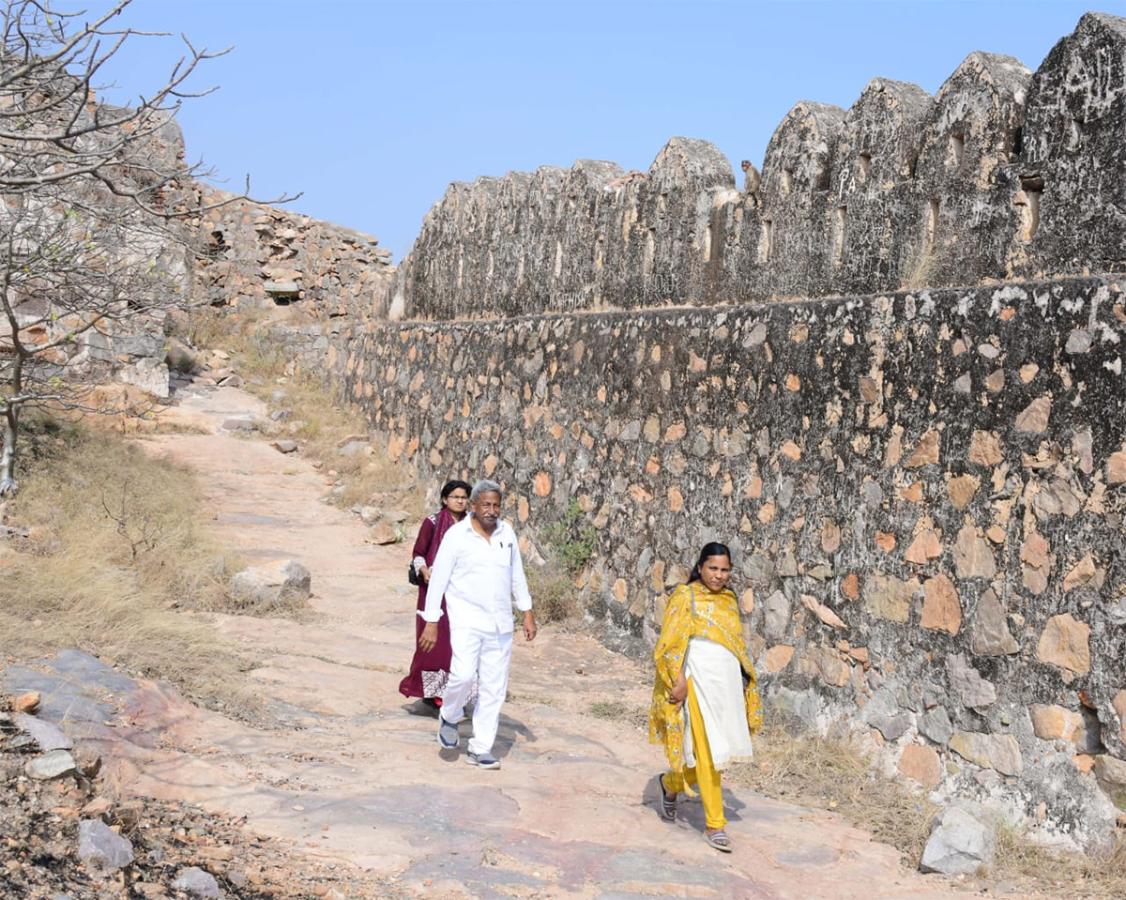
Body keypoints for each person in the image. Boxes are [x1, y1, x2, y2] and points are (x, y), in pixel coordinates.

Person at [649, 542, 763, 852]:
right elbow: (671, 643)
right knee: (710, 752)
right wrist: (679, 681)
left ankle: (670, 784)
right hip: (696, 681)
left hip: (723, 685)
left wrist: (740, 681)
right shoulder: (685, 596)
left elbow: (734, 645)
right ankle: (715, 825)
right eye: (713, 568)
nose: (719, 575)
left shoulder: (728, 599)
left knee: (717, 753)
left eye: (725, 569)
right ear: (700, 567)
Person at [420, 478, 537, 770]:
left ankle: (481, 747)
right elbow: (440, 580)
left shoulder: (506, 533)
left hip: (500, 624)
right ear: (473, 506)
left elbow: (516, 574)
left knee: (494, 688)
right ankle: (450, 714)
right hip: (467, 620)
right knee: (462, 675)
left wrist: (527, 610)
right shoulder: (457, 536)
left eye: (496, 504)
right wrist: (431, 620)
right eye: (486, 504)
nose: (492, 510)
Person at [398, 479, 472, 709]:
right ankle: (432, 693)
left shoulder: (472, 525)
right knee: (434, 642)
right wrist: (424, 569)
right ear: (444, 500)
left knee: (458, 641)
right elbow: (419, 553)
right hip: (434, 591)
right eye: (455, 497)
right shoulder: (432, 522)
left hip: (462, 590)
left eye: (463, 497)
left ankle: (457, 691)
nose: (460, 501)